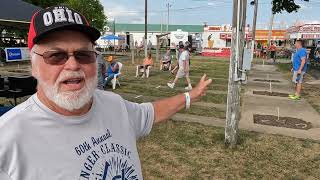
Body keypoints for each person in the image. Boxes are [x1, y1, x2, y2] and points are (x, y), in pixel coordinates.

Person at [0, 5, 212, 180]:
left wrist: (189, 96)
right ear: (34, 66)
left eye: (84, 54)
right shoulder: (8, 140)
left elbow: (151, 112)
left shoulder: (115, 105)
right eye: (56, 56)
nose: (73, 65)